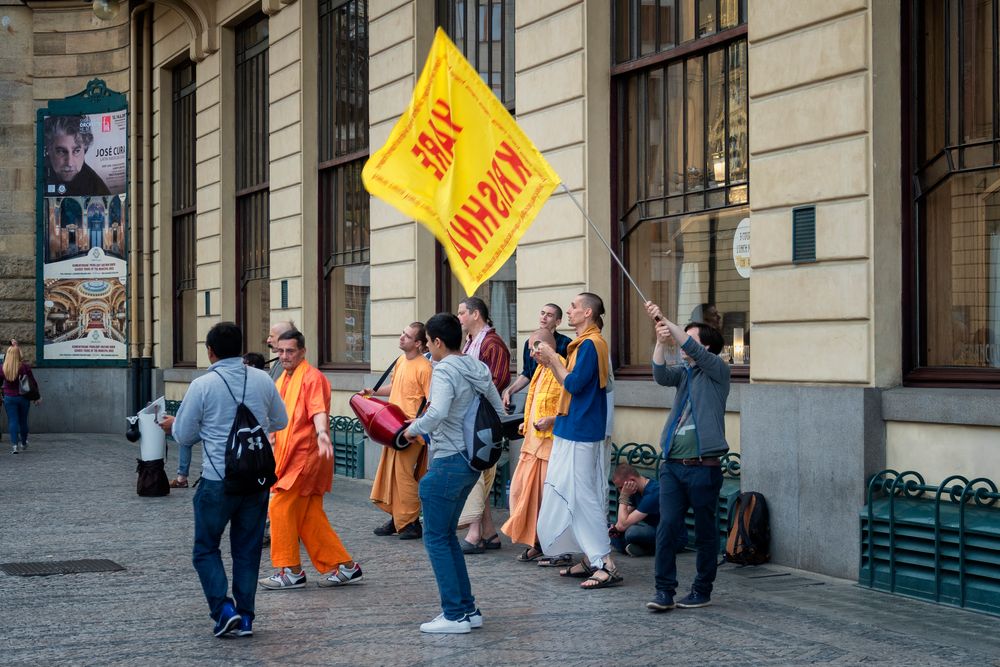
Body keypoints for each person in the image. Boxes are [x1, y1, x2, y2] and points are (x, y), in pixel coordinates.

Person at [158, 322, 288, 638]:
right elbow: (281, 420)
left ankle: (223, 609)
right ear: (242, 347)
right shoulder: (262, 379)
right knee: (247, 550)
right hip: (256, 481)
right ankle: (245, 618)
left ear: (211, 351)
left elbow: (185, 435)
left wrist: (174, 426)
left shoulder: (202, 385)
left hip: (217, 479)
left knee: (205, 549)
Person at [402, 313, 506, 634]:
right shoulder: (477, 366)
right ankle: (467, 609)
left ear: (436, 342)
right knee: (447, 537)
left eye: (429, 344)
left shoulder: (445, 369)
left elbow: (438, 412)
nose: (428, 351)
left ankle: (454, 615)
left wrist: (410, 429)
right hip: (473, 462)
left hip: (448, 461)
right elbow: (500, 413)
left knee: (436, 537)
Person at [260, 330, 363, 590]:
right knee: (309, 517)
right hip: (286, 456)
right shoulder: (283, 377)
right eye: (281, 351)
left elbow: (318, 410)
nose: (284, 356)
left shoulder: (312, 377)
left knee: (280, 508)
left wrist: (322, 434)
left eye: (290, 351)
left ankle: (291, 571)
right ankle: (346, 567)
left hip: (306, 457)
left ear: (303, 352)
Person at [644, 301, 730, 613]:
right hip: (672, 467)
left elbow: (690, 344)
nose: (683, 345)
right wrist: (659, 341)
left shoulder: (717, 371)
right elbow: (658, 374)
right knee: (667, 527)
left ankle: (701, 589)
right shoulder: (684, 374)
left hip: (703, 467)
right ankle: (664, 591)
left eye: (690, 340)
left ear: (706, 346)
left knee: (706, 533)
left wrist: (665, 319)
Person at [534, 293, 621, 589]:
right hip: (572, 427)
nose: (568, 311)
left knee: (584, 496)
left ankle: (605, 562)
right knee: (573, 493)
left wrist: (552, 360)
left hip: (582, 431)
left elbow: (573, 383)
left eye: (572, 307)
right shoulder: (584, 344)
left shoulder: (591, 344)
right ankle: (590, 557)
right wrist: (552, 362)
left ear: (587, 313)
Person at [499, 328, 562, 562]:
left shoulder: (560, 368)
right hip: (531, 445)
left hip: (549, 447)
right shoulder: (539, 370)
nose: (532, 355)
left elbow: (570, 406)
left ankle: (555, 547)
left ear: (546, 347)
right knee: (520, 494)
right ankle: (537, 541)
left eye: (535, 349)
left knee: (547, 501)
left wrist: (552, 420)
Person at [367, 322, 433, 539]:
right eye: (402, 333)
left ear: (418, 343)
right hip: (392, 426)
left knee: (403, 474)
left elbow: (431, 400)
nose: (401, 337)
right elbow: (395, 387)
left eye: (407, 336)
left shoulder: (425, 367)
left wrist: (419, 424)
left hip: (410, 431)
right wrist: (374, 392)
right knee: (392, 474)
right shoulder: (400, 361)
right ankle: (399, 518)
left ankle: (411, 521)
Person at [455, 296, 510, 554]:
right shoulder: (470, 343)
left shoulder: (492, 343)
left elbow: (495, 381)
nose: (459, 318)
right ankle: (489, 533)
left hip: (482, 420)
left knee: (476, 474)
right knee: (478, 476)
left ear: (476, 314)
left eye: (462, 313)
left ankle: (476, 533)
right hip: (471, 418)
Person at [500, 304, 572, 411]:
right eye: (542, 313)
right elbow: (527, 373)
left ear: (557, 322)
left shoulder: (566, 343)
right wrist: (510, 390)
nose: (544, 317)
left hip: (556, 399)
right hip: (535, 396)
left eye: (549, 315)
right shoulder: (529, 343)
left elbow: (568, 374)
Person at [44, 115, 111, 196]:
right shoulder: (38, 172)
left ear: (85, 149)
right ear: (48, 149)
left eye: (76, 151)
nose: (69, 163)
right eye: (61, 151)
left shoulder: (97, 189)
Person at [609, 464, 660, 557]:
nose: (621, 491)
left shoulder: (653, 493)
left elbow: (622, 526)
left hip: (671, 537)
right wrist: (612, 531)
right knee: (609, 528)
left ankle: (646, 549)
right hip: (651, 532)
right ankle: (638, 548)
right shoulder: (635, 490)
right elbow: (621, 521)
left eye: (621, 487)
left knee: (632, 532)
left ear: (631, 481)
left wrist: (624, 496)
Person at [1, 340, 40, 454]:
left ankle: (14, 446)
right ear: (18, 354)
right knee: (23, 421)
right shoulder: (24, 367)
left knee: (12, 421)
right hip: (23, 397)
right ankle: (23, 443)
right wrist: (37, 397)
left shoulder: (3, 368)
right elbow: (33, 383)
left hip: (9, 398)